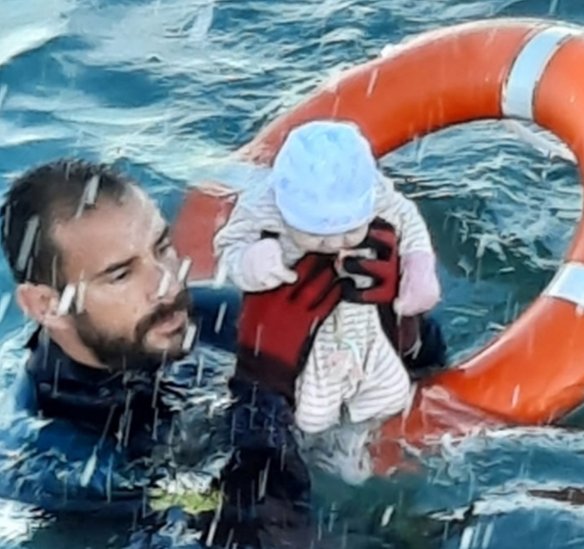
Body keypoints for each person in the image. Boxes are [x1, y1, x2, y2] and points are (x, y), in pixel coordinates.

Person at [0, 159, 458, 548]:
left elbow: (419, 375)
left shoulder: (204, 319)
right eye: (120, 275)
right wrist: (266, 380)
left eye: (161, 247)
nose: (166, 284)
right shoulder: (56, 462)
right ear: (45, 305)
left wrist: (394, 322)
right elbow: (259, 534)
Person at [212, 120, 443, 484]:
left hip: (364, 324)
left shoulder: (379, 196)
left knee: (384, 385)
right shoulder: (263, 205)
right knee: (282, 421)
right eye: (318, 236)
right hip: (290, 344)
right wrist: (252, 259)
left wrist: (419, 272)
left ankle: (363, 439)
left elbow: (410, 226)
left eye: (350, 231)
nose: (337, 245)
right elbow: (230, 243)